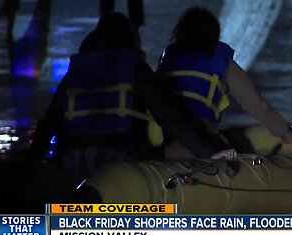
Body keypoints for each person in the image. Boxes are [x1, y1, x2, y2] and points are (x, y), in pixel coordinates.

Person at [29, 11, 236, 180]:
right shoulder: (134, 69)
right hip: (120, 158)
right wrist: (209, 152)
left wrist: (32, 160)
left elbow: (49, 123)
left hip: (72, 159)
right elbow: (170, 116)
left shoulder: (75, 72)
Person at [156, 7, 292, 159]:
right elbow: (255, 105)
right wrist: (286, 132)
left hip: (168, 149)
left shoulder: (167, 60)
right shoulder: (222, 62)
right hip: (204, 147)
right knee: (239, 143)